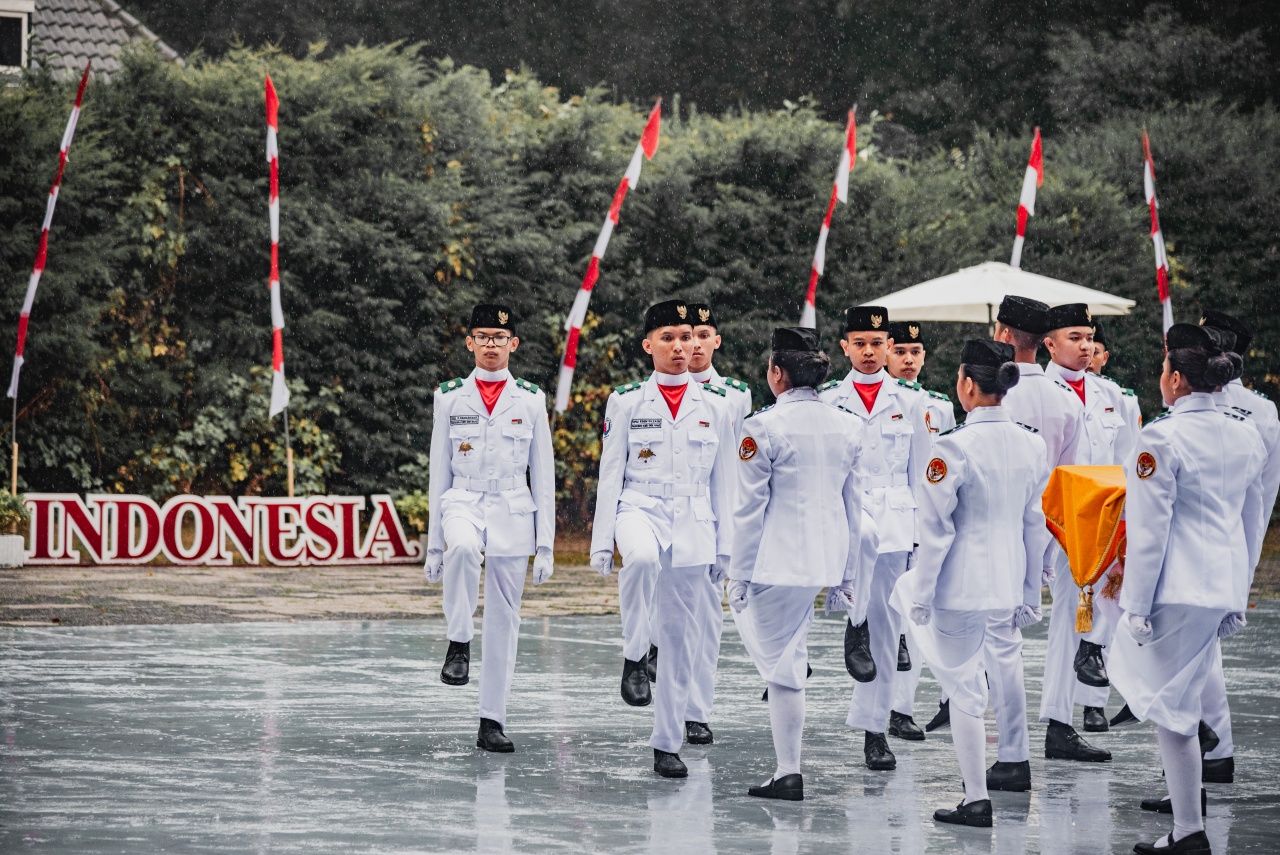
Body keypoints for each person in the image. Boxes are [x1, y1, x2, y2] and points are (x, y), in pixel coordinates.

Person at [1109, 323, 1266, 855]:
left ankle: (1188, 831)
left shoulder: (1160, 438)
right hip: (1218, 585)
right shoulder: (1246, 435)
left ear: (1175, 379)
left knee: (1170, 709)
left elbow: (1150, 531)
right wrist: (1238, 594)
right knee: (1179, 702)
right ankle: (1186, 827)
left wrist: (1134, 605)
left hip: (1176, 587)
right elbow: (1251, 523)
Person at [902, 339, 1050, 828]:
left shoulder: (951, 446)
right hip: (1006, 580)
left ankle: (976, 797)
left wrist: (921, 592)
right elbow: (1035, 524)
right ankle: (985, 783)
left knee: (963, 687)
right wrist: (1032, 591)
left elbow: (936, 531)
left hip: (959, 584)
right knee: (984, 675)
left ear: (967, 383)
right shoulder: (1031, 442)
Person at [590, 299, 737, 778]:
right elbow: (610, 472)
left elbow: (724, 481)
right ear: (648, 344)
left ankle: (667, 742)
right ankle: (634, 653)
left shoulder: (716, 405)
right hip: (639, 507)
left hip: (694, 521)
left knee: (680, 640)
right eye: (669, 337)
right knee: (642, 561)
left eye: (688, 337)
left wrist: (725, 547)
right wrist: (599, 541)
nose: (681, 346)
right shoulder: (627, 399)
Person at [727, 327, 868, 801]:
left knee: (781, 664)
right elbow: (854, 507)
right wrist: (848, 575)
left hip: (775, 561)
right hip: (825, 559)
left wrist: (738, 573)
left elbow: (748, 511)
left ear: (777, 373)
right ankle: (787, 768)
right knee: (786, 658)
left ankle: (789, 770)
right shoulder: (848, 424)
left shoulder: (762, 426)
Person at [425, 303, 556, 753]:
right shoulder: (448, 396)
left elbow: (543, 474)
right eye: (482, 337)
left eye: (499, 338)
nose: (490, 345)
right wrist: (433, 546)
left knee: (505, 619)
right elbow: (437, 470)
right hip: (463, 497)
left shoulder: (531, 399)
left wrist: (547, 545)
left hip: (513, 507)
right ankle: (459, 640)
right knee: (461, 548)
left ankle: (491, 721)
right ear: (469, 343)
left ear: (513, 344)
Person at [818, 305, 931, 771]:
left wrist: (923, 538)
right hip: (846, 520)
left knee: (886, 634)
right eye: (859, 344)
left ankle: (875, 730)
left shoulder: (911, 401)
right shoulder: (827, 401)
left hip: (897, 525)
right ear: (844, 347)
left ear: (889, 348)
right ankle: (854, 620)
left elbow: (923, 474)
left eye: (877, 344)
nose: (869, 352)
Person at [1039, 302, 1127, 760]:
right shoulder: (1038, 392)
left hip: (1106, 524)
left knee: (1103, 613)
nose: (1086, 345)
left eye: (1089, 337)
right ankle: (1058, 722)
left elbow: (1127, 464)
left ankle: (1093, 671)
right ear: (1049, 344)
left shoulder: (1112, 395)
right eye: (1074, 337)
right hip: (1059, 524)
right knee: (1068, 622)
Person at [883, 320, 954, 742]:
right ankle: (887, 707)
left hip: (926, 522)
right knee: (886, 620)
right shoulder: (882, 402)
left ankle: (903, 708)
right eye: (901, 351)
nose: (908, 360)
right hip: (892, 520)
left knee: (917, 618)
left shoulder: (939, 406)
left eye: (916, 351)